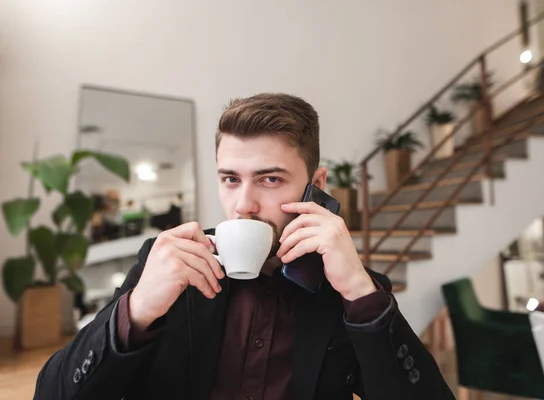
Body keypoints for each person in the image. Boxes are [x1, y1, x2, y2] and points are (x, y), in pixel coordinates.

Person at [34, 93, 454, 400]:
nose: (243, 205)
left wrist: (362, 294)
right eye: (230, 179)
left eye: (270, 179)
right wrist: (138, 309)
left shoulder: (351, 292)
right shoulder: (165, 265)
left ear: (317, 186)